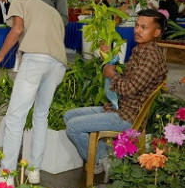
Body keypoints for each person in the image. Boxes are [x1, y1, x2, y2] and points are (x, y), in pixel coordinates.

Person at [64, 9, 168, 172]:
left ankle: (104, 160)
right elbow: (130, 81)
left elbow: (128, 88)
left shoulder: (150, 57)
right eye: (136, 25)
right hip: (120, 108)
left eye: (144, 27)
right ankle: (105, 157)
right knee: (68, 115)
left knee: (73, 127)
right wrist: (108, 60)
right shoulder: (141, 50)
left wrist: (112, 74)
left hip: (128, 116)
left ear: (157, 32)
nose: (137, 30)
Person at [0, 0, 67, 185]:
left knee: (16, 117)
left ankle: (6, 176)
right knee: (41, 116)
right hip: (58, 64)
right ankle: (34, 171)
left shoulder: (21, 1)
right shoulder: (53, 12)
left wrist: (0, 55)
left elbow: (17, 29)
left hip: (36, 60)